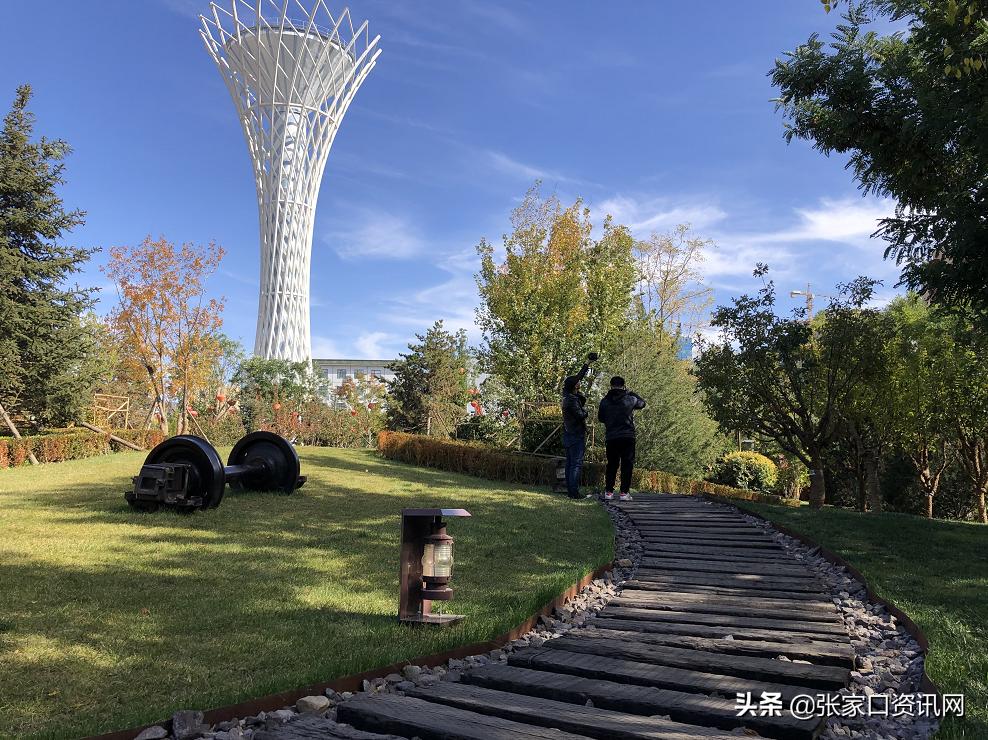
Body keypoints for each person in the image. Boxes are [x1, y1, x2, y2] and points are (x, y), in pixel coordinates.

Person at [597, 376, 646, 501]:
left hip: (612, 436)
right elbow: (642, 403)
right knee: (627, 464)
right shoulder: (629, 399)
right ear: (623, 386)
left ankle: (609, 492)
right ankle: (624, 493)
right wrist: (630, 392)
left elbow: (601, 418)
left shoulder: (604, 401)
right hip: (627, 436)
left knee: (612, 465)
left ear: (611, 386)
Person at [560, 353, 597, 499]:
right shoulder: (571, 400)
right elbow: (581, 415)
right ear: (575, 386)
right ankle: (574, 493)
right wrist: (585, 411)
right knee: (575, 464)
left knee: (570, 464)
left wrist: (588, 363)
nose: (579, 382)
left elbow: (578, 377)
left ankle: (571, 491)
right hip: (575, 435)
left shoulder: (567, 394)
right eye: (577, 382)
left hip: (569, 433)